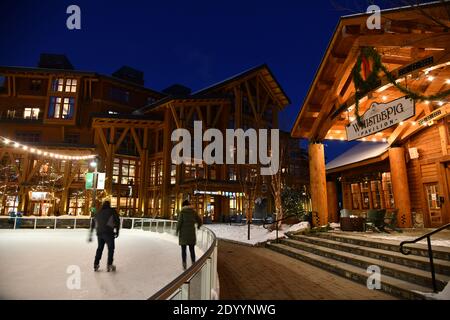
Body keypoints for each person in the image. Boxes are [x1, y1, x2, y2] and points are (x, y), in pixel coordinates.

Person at [88, 201, 120, 272]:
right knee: (111, 249)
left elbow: (93, 223)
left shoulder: (98, 212)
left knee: (100, 248)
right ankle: (109, 264)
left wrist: (90, 235)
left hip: (99, 233)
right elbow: (117, 221)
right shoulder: (112, 211)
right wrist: (117, 231)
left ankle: (96, 264)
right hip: (108, 232)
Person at [176, 200, 202, 270]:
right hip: (191, 234)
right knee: (192, 249)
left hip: (183, 234)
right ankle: (193, 264)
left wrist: (177, 230)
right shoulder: (193, 212)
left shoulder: (182, 212)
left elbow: (179, 223)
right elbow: (199, 220)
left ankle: (184, 264)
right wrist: (198, 226)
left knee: (183, 250)